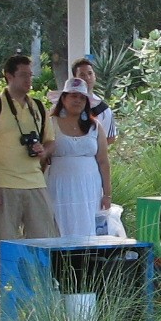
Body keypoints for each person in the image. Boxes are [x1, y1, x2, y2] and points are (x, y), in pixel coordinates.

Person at [0, 53, 57, 272]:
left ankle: (40, 297)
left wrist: (43, 150)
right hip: (3, 184)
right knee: (3, 246)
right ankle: (7, 296)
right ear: (9, 76)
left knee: (45, 242)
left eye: (30, 75)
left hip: (35, 183)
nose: (29, 80)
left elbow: (51, 141)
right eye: (23, 75)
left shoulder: (38, 107)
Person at [47, 77, 112, 237]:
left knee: (87, 224)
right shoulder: (50, 123)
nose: (78, 100)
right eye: (73, 96)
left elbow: (103, 162)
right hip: (59, 184)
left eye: (82, 98)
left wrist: (107, 194)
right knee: (61, 223)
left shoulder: (95, 126)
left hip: (89, 185)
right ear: (63, 98)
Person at [70, 55, 118, 147]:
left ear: (95, 76)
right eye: (82, 75)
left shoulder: (103, 109)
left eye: (90, 73)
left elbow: (110, 138)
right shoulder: (64, 105)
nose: (87, 78)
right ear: (75, 78)